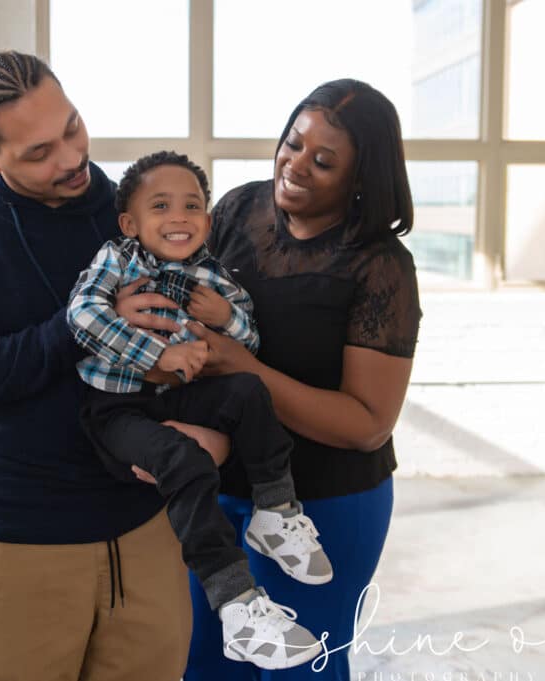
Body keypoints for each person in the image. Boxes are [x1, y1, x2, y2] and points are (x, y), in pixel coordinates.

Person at [0, 51, 193, 681]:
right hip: (18, 542)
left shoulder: (130, 213)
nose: (70, 158)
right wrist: (80, 327)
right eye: (38, 153)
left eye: (73, 128)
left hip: (146, 525)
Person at [177, 79, 423, 680]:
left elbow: (368, 424)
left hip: (326, 506)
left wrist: (246, 368)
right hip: (217, 494)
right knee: (205, 664)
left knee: (297, 670)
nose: (298, 166)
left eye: (325, 161)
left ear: (360, 177)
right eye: (293, 144)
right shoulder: (237, 210)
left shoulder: (380, 265)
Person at [68, 151, 332, 671]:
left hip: (176, 394)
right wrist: (159, 354)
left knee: (250, 392)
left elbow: (249, 341)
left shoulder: (212, 275)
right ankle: (236, 604)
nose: (179, 217)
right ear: (131, 222)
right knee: (184, 457)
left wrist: (226, 317)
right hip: (117, 409)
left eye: (191, 206)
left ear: (207, 221)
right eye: (161, 206)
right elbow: (82, 316)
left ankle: (274, 511)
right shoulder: (117, 260)